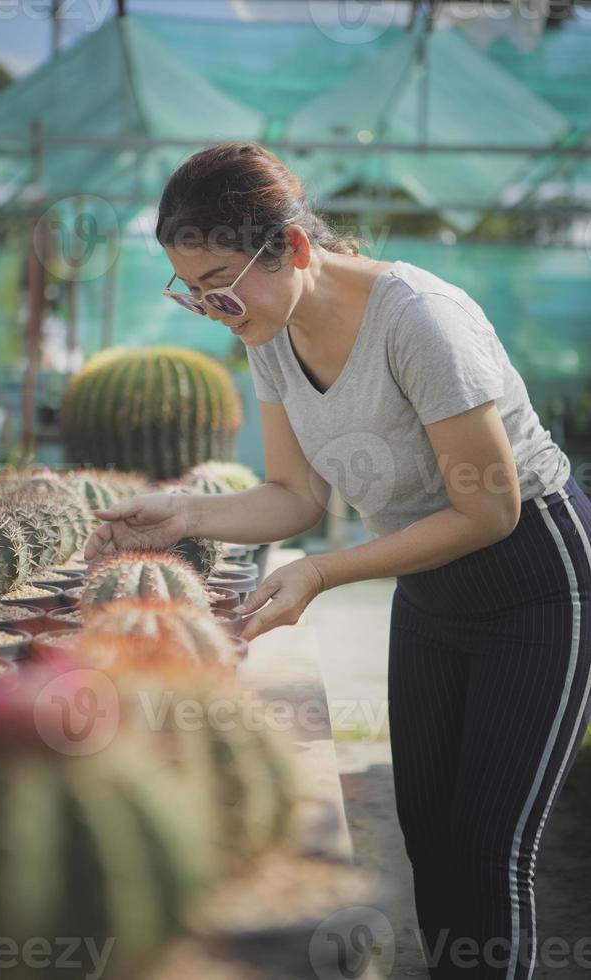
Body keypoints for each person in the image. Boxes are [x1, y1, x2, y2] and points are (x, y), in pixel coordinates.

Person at [84, 141, 591, 979]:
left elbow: (489, 509)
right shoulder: (267, 326)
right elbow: (293, 496)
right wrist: (180, 515)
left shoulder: (419, 319)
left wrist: (322, 572)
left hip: (535, 583)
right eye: (194, 294)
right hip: (431, 587)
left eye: (220, 286)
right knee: (429, 844)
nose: (214, 309)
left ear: (292, 246)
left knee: (487, 854)